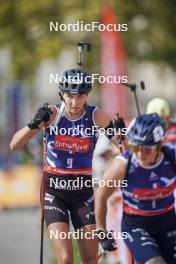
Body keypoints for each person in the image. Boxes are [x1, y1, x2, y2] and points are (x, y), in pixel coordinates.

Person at [10, 68, 125, 264]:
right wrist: (33, 125)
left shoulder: (95, 115)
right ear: (61, 94)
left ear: (87, 95)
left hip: (83, 193)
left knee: (90, 259)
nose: (74, 102)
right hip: (55, 192)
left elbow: (125, 149)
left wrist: (122, 136)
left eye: (80, 95)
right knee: (64, 258)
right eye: (69, 95)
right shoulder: (53, 114)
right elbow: (14, 145)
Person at [95, 113, 176, 264]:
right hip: (137, 225)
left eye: (146, 149)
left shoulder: (172, 157)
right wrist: (101, 231)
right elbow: (101, 195)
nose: (140, 153)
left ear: (159, 145)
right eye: (136, 146)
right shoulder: (123, 164)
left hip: (168, 221)